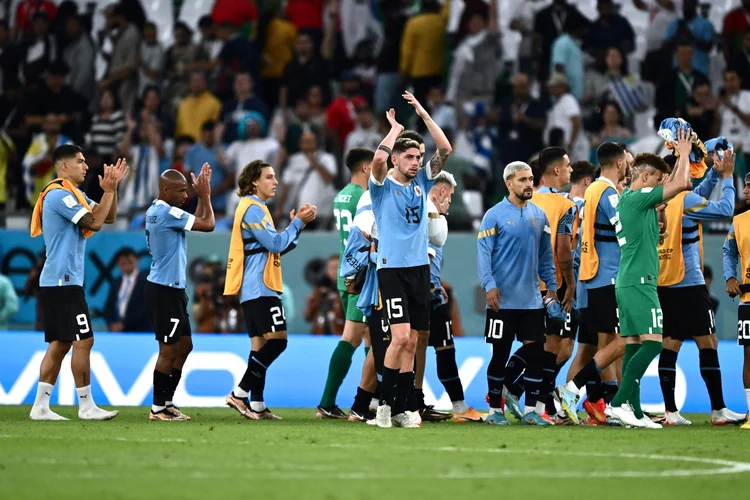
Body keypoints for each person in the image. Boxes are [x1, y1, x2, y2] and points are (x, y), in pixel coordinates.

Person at [28, 145, 127, 421]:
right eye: (80, 161)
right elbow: (93, 223)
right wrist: (107, 191)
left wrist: (113, 188)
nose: (86, 166)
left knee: (60, 343)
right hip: (63, 281)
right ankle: (86, 406)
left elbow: (108, 216)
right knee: (84, 340)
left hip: (61, 280)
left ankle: (40, 407)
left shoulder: (76, 194)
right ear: (63, 166)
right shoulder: (59, 195)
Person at [371, 91, 452, 429]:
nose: (417, 161)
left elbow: (445, 149)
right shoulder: (381, 187)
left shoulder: (421, 180)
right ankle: (384, 407)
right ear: (396, 160)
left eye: (419, 156)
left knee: (415, 341)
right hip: (391, 269)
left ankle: (404, 407)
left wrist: (423, 113)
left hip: (420, 270)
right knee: (400, 338)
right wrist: (394, 129)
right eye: (409, 156)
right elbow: (377, 161)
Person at [606, 129, 694, 429]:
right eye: (658, 179)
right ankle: (617, 404)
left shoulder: (634, 203)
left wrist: (662, 206)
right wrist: (683, 153)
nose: (661, 185)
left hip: (629, 280)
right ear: (645, 178)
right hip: (639, 282)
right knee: (654, 344)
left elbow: (662, 222)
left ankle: (636, 411)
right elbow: (683, 183)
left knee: (632, 346)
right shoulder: (635, 199)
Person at [658, 150, 745, 426]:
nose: (691, 177)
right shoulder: (685, 199)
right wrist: (729, 177)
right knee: (708, 342)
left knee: (670, 344)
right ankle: (718, 409)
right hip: (690, 283)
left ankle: (671, 411)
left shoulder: (662, 198)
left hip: (665, 280)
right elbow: (723, 209)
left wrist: (714, 174)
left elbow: (699, 194)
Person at [224, 160, 316, 420]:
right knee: (278, 342)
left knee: (259, 346)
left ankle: (258, 404)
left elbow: (275, 246)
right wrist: (296, 224)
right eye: (269, 177)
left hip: (252, 289)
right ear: (254, 181)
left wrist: (296, 228)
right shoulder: (253, 209)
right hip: (261, 287)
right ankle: (240, 394)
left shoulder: (255, 208)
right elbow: (275, 245)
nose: (275, 182)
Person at [478, 161, 558, 426]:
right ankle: (494, 412)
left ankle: (532, 411)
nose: (528, 184)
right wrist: (489, 285)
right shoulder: (494, 215)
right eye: (522, 180)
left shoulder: (540, 215)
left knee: (536, 355)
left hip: (532, 301)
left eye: (531, 179)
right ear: (508, 183)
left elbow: (546, 256)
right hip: (502, 300)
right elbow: (483, 254)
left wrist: (553, 287)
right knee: (499, 355)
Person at [554, 142, 627, 424]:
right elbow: (625, 234)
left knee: (588, 348)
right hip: (605, 278)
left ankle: (573, 408)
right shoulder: (606, 194)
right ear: (620, 163)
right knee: (623, 341)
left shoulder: (591, 195)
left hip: (589, 281)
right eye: (628, 161)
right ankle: (575, 392)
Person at [505, 147, 578, 423]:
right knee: (552, 346)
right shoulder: (566, 206)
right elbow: (562, 249)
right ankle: (519, 392)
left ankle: (531, 402)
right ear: (556, 170)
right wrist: (569, 285)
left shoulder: (526, 199)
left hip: (522, 279)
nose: (570, 170)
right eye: (567, 166)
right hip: (551, 283)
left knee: (542, 344)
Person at [144, 164, 216, 421]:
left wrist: (198, 197)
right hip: (165, 290)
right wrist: (205, 195)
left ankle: (167, 401)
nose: (186, 196)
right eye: (182, 191)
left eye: (188, 192)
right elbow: (208, 224)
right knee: (168, 350)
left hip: (170, 288)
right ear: (165, 190)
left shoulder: (157, 210)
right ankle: (157, 408)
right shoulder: (167, 213)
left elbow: (195, 222)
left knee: (184, 345)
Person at [317, 147, 377, 419]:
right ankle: (327, 403)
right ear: (366, 168)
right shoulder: (364, 197)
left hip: (346, 274)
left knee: (370, 337)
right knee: (352, 337)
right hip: (361, 276)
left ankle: (374, 400)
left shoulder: (342, 195)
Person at [426, 171, 482, 423]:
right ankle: (459, 409)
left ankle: (407, 402)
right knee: (443, 349)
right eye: (448, 195)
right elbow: (425, 258)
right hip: (426, 293)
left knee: (413, 348)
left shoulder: (428, 215)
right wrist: (432, 287)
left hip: (424, 290)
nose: (449, 200)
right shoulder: (430, 215)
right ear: (440, 193)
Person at [562, 160, 599, 424]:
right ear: (588, 182)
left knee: (583, 348)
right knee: (576, 349)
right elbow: (574, 252)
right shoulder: (584, 208)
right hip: (582, 287)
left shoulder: (561, 204)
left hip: (571, 286)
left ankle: (596, 404)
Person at [722, 171, 750, 430]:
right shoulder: (739, 221)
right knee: (749, 355)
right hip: (748, 298)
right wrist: (730, 276)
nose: (747, 190)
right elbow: (728, 251)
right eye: (747, 185)